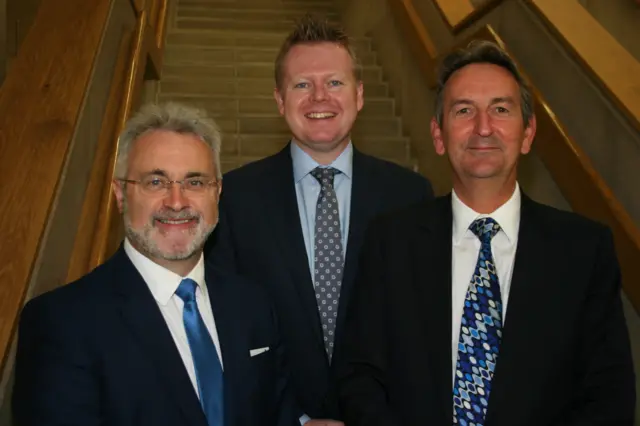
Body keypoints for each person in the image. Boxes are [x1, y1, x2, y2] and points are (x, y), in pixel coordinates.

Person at [338, 40, 636, 425]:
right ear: (438, 135)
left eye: (500, 109)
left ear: (528, 134)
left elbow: (608, 395)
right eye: (464, 111)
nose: (483, 128)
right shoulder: (391, 242)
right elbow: (359, 377)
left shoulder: (583, 251)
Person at [206, 15, 434, 425]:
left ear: (359, 95)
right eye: (301, 85)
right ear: (279, 100)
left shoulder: (410, 195)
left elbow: (420, 333)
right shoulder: (234, 198)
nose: (319, 98)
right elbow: (227, 329)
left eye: (334, 82)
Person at [12, 102, 298, 426]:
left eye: (194, 182)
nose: (176, 203)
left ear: (216, 193)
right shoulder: (62, 323)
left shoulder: (254, 306)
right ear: (121, 194)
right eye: (155, 182)